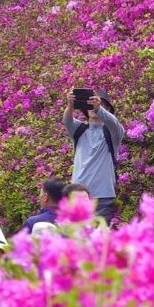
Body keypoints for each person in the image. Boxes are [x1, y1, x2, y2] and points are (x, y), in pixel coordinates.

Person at [63, 90, 123, 221]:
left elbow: (114, 123)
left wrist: (99, 109)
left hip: (104, 197)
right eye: (90, 104)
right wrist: (70, 106)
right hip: (78, 195)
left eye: (98, 103)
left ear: (107, 109)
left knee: (98, 236)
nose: (93, 107)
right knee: (78, 237)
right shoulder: (79, 129)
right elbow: (67, 120)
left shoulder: (113, 133)